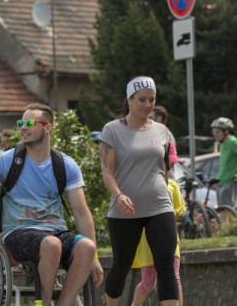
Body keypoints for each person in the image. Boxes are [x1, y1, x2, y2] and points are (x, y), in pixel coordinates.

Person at [0, 103, 103, 306]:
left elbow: (81, 211)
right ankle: (43, 303)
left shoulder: (65, 165)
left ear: (48, 127)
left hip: (55, 231)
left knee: (87, 247)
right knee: (52, 244)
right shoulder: (7, 161)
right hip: (17, 232)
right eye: (21, 123)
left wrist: (94, 257)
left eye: (30, 123)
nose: (23, 128)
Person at [99, 76, 179, 306]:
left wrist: (169, 198)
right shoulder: (112, 130)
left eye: (152, 99)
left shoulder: (162, 131)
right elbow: (107, 171)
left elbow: (164, 170)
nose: (148, 104)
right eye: (142, 99)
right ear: (130, 99)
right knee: (122, 265)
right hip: (125, 209)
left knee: (166, 265)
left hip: (160, 206)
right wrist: (118, 195)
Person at [132, 178, 186, 306]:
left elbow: (182, 211)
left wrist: (174, 212)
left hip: (169, 236)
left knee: (174, 276)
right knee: (148, 282)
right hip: (146, 240)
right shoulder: (140, 183)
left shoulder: (172, 185)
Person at [211, 117, 237, 215]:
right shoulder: (222, 143)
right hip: (221, 181)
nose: (215, 134)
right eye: (213, 132)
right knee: (222, 211)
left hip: (229, 181)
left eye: (217, 132)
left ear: (226, 131)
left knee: (226, 211)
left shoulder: (233, 142)